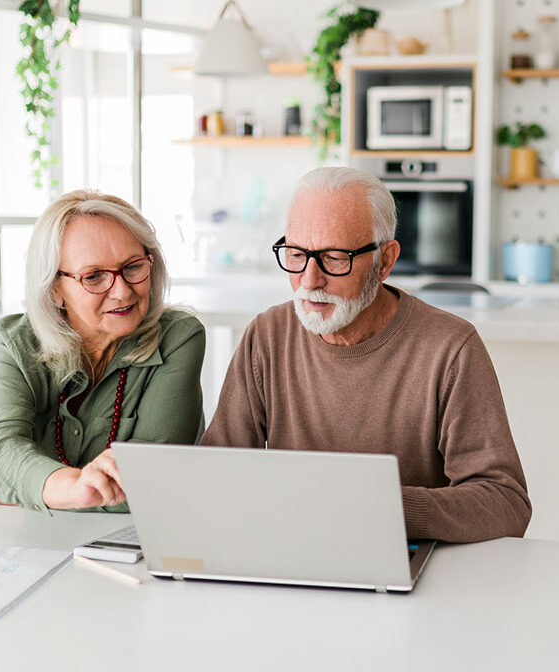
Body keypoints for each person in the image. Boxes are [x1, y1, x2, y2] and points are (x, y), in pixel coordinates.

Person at [201, 167, 531, 543]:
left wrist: (383, 507)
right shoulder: (266, 336)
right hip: (292, 559)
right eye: (296, 254)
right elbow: (218, 474)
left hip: (412, 575)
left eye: (335, 258)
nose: (309, 280)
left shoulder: (451, 348)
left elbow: (506, 504)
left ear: (385, 261)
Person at [0, 189, 205, 513]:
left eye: (132, 267)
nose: (121, 291)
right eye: (94, 276)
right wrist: (76, 489)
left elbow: (151, 485)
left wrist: (17, 491)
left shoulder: (179, 338)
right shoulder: (15, 343)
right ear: (54, 290)